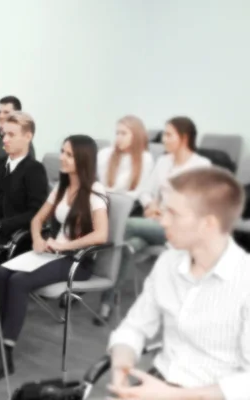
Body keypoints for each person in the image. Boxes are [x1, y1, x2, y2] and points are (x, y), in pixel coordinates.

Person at [0, 135, 109, 384]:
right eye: (62, 152)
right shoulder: (62, 187)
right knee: (1, 273)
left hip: (77, 260)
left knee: (20, 282)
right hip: (52, 252)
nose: (62, 158)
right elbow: (37, 218)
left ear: (83, 159)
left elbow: (101, 234)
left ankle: (5, 354)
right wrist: (36, 238)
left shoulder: (95, 192)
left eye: (68, 154)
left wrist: (66, 245)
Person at [108, 167, 249, 400]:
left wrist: (173, 396)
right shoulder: (168, 261)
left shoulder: (245, 281)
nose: (162, 221)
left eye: (173, 213)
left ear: (208, 224)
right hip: (158, 384)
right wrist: (121, 368)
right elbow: (134, 327)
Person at [96, 116, 212, 323]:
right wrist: (151, 205)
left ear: (184, 138)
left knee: (125, 226)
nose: (163, 139)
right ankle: (108, 299)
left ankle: (94, 264)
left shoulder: (202, 165)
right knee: (127, 246)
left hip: (181, 228)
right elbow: (146, 192)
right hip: (156, 224)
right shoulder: (163, 162)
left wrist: (168, 213)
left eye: (168, 135)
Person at [0, 111, 48, 244]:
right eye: (4, 134)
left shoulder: (34, 170)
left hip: (9, 236)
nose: (4, 139)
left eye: (11, 135)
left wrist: (0, 224)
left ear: (28, 136)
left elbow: (36, 212)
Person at [97, 115, 154, 199]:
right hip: (105, 199)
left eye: (123, 133)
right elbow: (102, 184)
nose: (118, 137)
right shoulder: (104, 154)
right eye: (117, 133)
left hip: (128, 203)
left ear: (136, 136)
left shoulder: (145, 158)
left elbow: (141, 191)